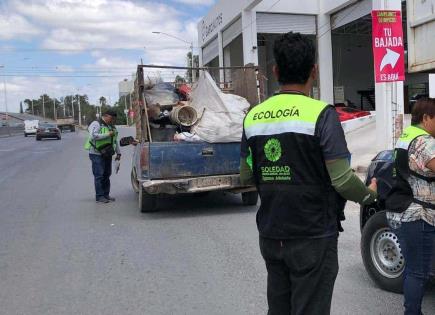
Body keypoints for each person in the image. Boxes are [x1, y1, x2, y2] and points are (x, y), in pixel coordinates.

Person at [240, 32, 377, 315]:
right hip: (313, 235)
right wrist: (369, 195)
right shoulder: (322, 114)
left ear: (276, 71)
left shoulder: (254, 116)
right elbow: (341, 179)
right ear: (313, 71)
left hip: (271, 234)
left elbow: (245, 177)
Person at [386, 99, 435, 315]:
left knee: (412, 269)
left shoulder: (406, 136)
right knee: (418, 272)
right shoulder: (425, 141)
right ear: (426, 118)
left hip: (402, 211)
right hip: (419, 215)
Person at [84, 110, 121, 203]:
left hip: (107, 153)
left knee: (107, 175)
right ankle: (99, 196)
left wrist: (118, 153)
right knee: (99, 175)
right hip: (96, 153)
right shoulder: (96, 123)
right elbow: (93, 136)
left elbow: (115, 141)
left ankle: (106, 194)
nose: (112, 120)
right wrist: (108, 134)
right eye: (111, 118)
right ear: (106, 116)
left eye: (114, 119)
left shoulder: (111, 126)